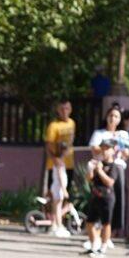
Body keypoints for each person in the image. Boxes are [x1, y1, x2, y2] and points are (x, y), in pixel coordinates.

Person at [89, 106, 129, 238]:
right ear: (106, 117)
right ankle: (97, 233)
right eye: (111, 115)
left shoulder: (123, 134)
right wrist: (107, 148)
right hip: (102, 168)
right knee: (99, 201)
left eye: (116, 116)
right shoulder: (99, 133)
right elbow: (94, 149)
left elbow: (126, 154)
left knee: (116, 201)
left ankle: (110, 234)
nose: (113, 118)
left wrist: (121, 148)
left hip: (116, 168)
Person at [84, 138, 122, 258]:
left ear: (113, 150)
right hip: (95, 196)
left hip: (107, 198)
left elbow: (110, 182)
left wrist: (100, 171)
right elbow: (89, 179)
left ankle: (103, 247)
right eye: (103, 149)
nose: (104, 152)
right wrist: (90, 169)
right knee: (89, 222)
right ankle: (93, 244)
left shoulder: (114, 166)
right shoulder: (98, 163)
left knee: (106, 223)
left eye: (107, 149)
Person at [44, 99, 76, 238]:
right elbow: (49, 145)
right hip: (55, 164)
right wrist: (55, 159)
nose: (65, 111)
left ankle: (59, 221)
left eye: (67, 108)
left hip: (68, 163)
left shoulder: (72, 123)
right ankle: (54, 223)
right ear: (58, 110)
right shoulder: (53, 126)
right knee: (55, 195)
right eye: (62, 109)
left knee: (64, 196)